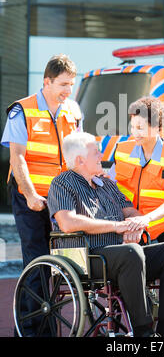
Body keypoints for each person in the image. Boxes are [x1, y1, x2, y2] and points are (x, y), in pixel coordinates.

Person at [47, 132, 164, 337]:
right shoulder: (62, 183)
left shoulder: (106, 184)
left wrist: (135, 225)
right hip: (89, 256)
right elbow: (67, 222)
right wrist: (116, 227)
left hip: (123, 253)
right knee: (131, 252)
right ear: (80, 159)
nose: (101, 155)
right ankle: (143, 331)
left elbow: (129, 211)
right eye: (96, 152)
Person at [1, 54, 82, 336]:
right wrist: (32, 194)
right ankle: (33, 331)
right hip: (30, 197)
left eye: (71, 84)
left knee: (66, 265)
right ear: (46, 81)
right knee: (37, 264)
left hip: (61, 199)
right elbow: (17, 158)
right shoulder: (21, 110)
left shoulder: (72, 110)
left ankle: (39, 328)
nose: (68, 91)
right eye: (63, 84)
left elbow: (77, 155)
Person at [109, 96, 164, 330]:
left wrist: (145, 219)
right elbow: (110, 188)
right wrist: (129, 222)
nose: (134, 132)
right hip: (130, 226)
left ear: (158, 128)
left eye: (140, 127)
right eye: (132, 126)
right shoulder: (122, 150)